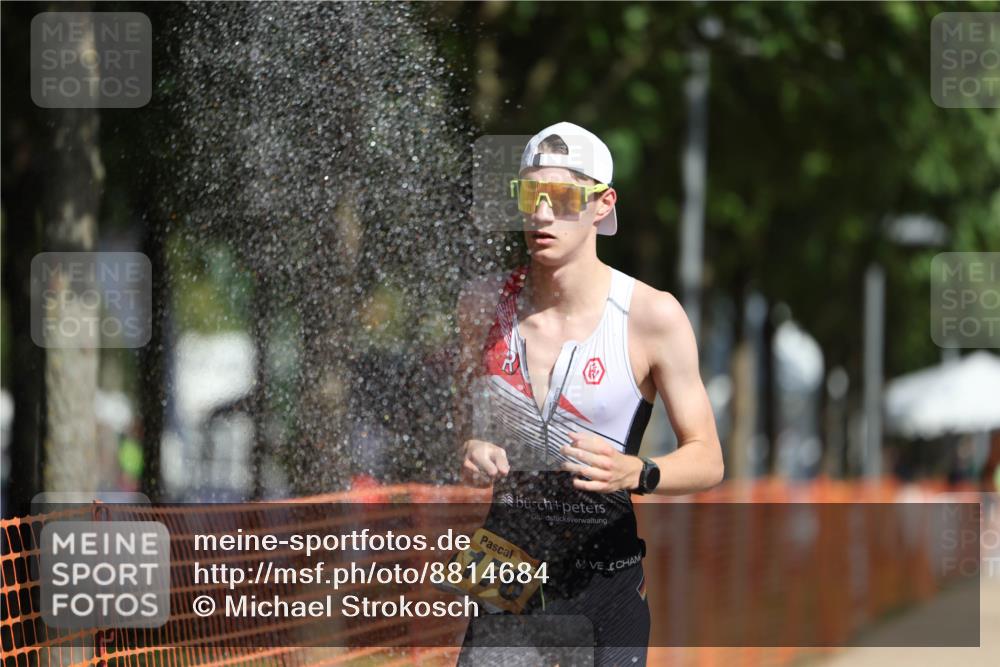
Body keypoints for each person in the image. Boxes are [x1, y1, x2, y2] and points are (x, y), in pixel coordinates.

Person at [453, 122, 724, 666]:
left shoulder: (651, 315)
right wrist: (469, 444)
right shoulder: (480, 304)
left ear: (603, 204)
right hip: (504, 561)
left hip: (605, 576)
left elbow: (709, 458)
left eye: (563, 198)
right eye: (531, 196)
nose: (543, 214)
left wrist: (639, 473)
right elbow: (463, 418)